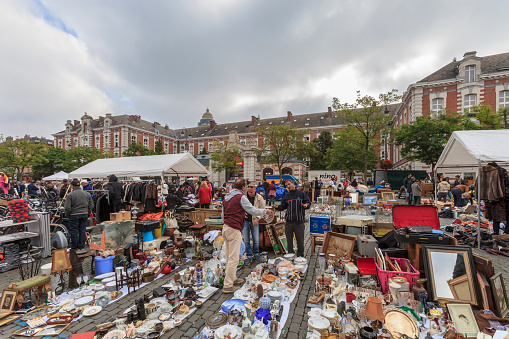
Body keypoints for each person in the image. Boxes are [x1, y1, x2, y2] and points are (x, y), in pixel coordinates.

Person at [222, 178, 273, 293]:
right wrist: (265, 211)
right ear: (244, 187)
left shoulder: (227, 197)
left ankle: (232, 278)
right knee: (234, 258)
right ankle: (227, 285)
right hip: (234, 228)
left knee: (230, 257)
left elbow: (223, 214)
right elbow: (252, 210)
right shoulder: (240, 197)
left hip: (226, 227)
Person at [274, 180, 310, 258]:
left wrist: (306, 205)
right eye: (286, 185)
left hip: (299, 222)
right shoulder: (287, 195)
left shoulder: (301, 194)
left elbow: (308, 203)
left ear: (293, 184)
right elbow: (283, 206)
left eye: (289, 184)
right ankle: (290, 255)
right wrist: (277, 207)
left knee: (300, 240)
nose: (288, 186)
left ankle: (300, 256)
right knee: (289, 241)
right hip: (289, 222)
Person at [65, 179, 93, 250]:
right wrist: (88, 212)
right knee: (82, 230)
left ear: (72, 186)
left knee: (74, 231)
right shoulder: (87, 194)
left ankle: (74, 247)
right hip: (84, 214)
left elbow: (67, 207)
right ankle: (81, 246)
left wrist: (68, 215)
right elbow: (91, 205)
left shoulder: (70, 195)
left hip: (74, 214)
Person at [243, 182, 266, 265]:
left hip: (254, 220)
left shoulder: (259, 198)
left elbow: (262, 210)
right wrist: (242, 213)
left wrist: (257, 218)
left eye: (251, 192)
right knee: (246, 240)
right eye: (248, 192)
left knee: (256, 240)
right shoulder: (243, 197)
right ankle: (249, 256)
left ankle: (256, 254)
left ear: (255, 189)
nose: (250, 194)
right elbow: (239, 207)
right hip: (245, 221)